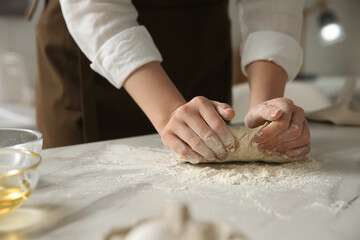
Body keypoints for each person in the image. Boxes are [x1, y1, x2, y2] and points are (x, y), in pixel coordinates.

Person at [35, 0, 310, 162]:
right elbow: (96, 6)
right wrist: (168, 112)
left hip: (201, 34)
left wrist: (265, 109)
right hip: (96, 43)